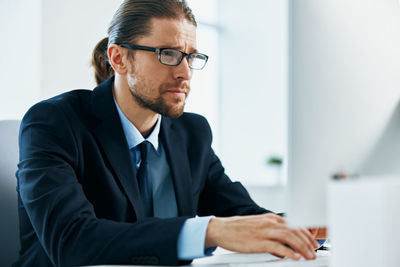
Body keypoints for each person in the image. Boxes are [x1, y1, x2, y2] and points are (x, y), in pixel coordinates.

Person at [15, 1, 322, 266]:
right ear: (119, 58)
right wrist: (209, 231)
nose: (185, 72)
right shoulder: (54, 123)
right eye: (168, 54)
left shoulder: (192, 133)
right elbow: (71, 241)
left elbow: (242, 216)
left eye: (190, 56)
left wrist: (310, 225)